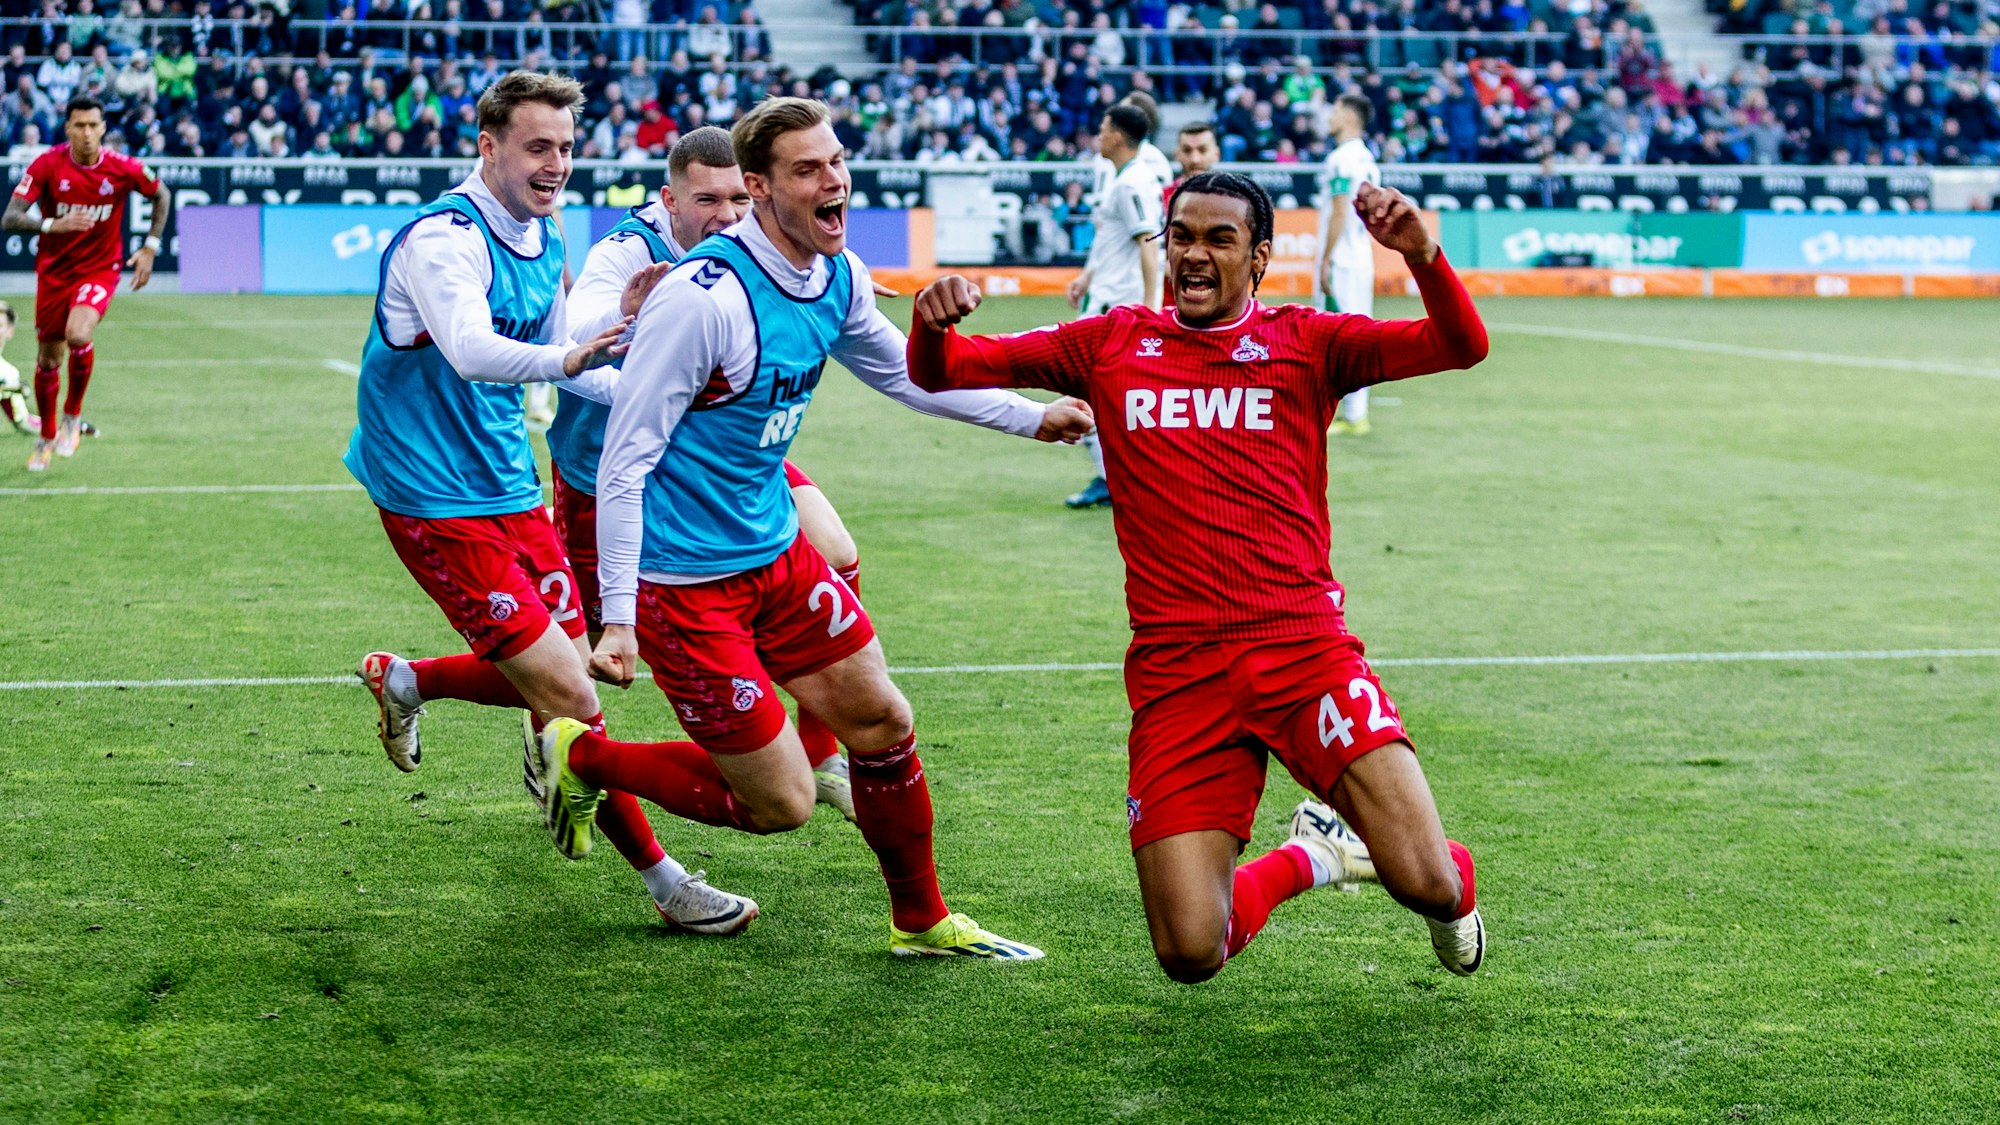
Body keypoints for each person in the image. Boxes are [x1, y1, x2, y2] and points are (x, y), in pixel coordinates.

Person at [537, 97, 1092, 959]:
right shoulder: (704, 300)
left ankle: (922, 921)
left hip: (775, 552)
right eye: (807, 169)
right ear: (759, 188)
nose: (834, 181)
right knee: (781, 805)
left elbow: (905, 374)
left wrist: (1030, 417)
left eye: (836, 161)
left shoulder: (837, 273)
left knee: (883, 719)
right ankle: (584, 759)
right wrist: (618, 619)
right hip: (685, 585)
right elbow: (625, 462)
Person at [905, 173, 1491, 983]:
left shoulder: (1309, 341)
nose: (1194, 254)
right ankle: (1314, 855)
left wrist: (1422, 255)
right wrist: (931, 322)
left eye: (1220, 238)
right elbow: (945, 371)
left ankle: (1433, 882)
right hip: (1178, 671)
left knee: (1428, 881)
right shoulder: (1110, 342)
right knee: (1189, 949)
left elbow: (1460, 345)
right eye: (1181, 235)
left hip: (1303, 651)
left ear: (1260, 257)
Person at [346, 72, 759, 937]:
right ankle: (667, 881)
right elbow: (472, 349)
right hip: (429, 494)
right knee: (571, 694)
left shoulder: (545, 232)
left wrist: (651, 382)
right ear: (488, 146)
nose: (556, 164)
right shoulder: (444, 240)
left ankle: (407, 679)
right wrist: (573, 359)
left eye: (566, 147)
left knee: (573, 671)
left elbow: (578, 356)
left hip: (508, 478)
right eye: (538, 146)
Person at [554, 125, 864, 823]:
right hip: (610, 471)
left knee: (837, 551)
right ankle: (538, 728)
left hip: (727, 457)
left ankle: (820, 755)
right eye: (707, 201)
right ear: (669, 201)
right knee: (582, 655)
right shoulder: (628, 250)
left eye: (737, 199)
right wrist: (625, 315)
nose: (727, 216)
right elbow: (571, 337)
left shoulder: (754, 245)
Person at [2, 94, 168, 471]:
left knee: (78, 334)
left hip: (99, 269)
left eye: (94, 125)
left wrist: (150, 248)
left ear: (103, 128)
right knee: (48, 359)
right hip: (54, 273)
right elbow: (10, 217)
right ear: (68, 128)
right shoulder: (47, 164)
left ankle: (72, 416)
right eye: (80, 126)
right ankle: (46, 437)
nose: (87, 133)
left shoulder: (123, 168)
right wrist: (51, 224)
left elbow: (161, 195)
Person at [1063, 103, 1164, 511]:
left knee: (1086, 390)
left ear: (1118, 136)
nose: (1098, 136)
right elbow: (1119, 242)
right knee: (1111, 394)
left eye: (1103, 129)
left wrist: (1151, 308)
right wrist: (1088, 276)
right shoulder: (1130, 177)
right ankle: (1124, 478)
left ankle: (1118, 480)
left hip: (1115, 306)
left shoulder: (1131, 183)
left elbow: (1148, 245)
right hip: (1108, 296)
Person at [1314, 93, 1383, 436]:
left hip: (1342, 258)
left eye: (1336, 110)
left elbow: (1340, 211)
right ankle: (1356, 412)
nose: (1330, 115)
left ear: (1350, 117)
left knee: (1335, 334)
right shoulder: (1367, 159)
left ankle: (1350, 414)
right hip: (1360, 254)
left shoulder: (1342, 159)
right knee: (1356, 331)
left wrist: (1325, 257)